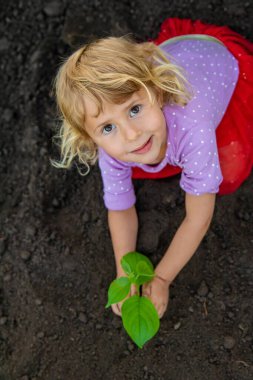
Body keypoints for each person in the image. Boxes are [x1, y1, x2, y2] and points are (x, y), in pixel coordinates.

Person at [52, 18, 253, 319]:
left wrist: (161, 278)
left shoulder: (193, 130)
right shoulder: (113, 147)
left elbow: (198, 218)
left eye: (134, 109)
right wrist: (124, 270)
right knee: (141, 156)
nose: (131, 134)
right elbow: (120, 208)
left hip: (219, 64)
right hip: (176, 59)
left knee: (230, 173)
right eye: (107, 127)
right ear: (89, 138)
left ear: (156, 92)